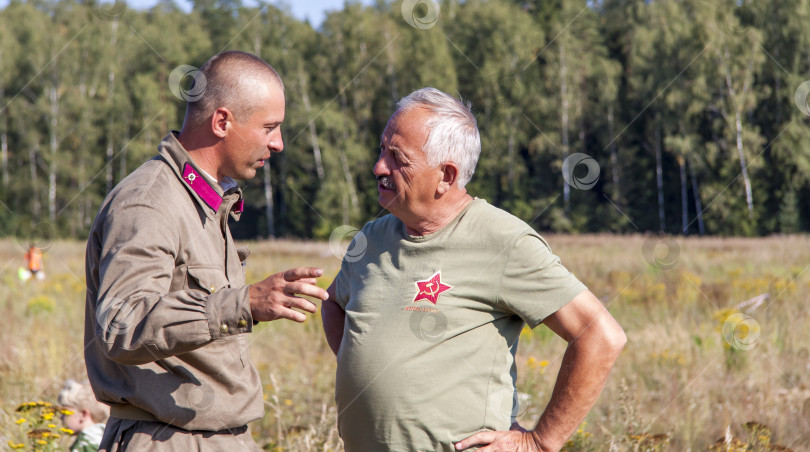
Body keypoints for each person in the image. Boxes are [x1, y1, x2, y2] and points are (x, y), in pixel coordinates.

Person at [321, 87, 627, 452]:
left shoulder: (504, 241)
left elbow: (600, 336)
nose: (378, 167)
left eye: (396, 157)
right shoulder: (371, 237)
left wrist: (539, 442)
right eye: (381, 150)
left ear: (446, 176)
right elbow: (334, 303)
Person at [84, 50, 328, 451]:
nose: (279, 143)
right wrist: (242, 304)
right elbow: (120, 326)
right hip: (167, 438)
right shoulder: (149, 202)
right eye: (270, 127)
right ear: (222, 122)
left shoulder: (208, 200)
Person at [58, 379, 110, 452]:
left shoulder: (84, 443)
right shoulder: (107, 434)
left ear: (83, 415)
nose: (60, 417)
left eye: (65, 413)